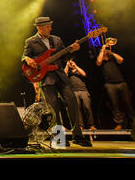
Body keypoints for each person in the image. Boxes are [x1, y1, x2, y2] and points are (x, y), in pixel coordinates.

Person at [22, 16, 91, 146]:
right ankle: (59, 138)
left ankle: (78, 135)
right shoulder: (31, 41)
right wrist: (26, 59)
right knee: (53, 109)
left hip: (60, 75)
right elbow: (24, 55)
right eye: (48, 26)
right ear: (39, 27)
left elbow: (65, 56)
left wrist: (73, 50)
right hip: (46, 78)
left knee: (72, 102)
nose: (50, 28)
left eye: (50, 26)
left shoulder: (57, 39)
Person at [96, 42, 134, 130]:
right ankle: (119, 123)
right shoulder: (101, 60)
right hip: (109, 85)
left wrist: (111, 52)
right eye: (105, 51)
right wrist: (102, 49)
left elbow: (121, 59)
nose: (106, 51)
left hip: (121, 83)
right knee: (114, 104)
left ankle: (133, 122)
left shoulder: (112, 58)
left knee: (128, 104)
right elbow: (98, 62)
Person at [64, 59, 96, 131]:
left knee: (87, 107)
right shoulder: (68, 72)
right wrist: (67, 65)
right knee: (77, 109)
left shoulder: (78, 70)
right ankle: (80, 125)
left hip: (83, 90)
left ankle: (91, 125)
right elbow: (64, 74)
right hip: (74, 91)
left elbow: (84, 74)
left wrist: (75, 66)